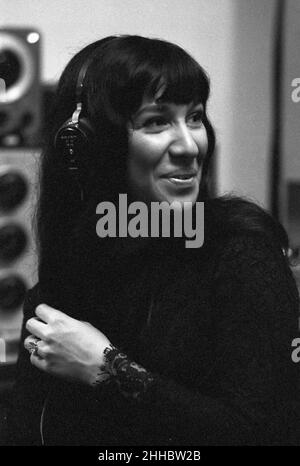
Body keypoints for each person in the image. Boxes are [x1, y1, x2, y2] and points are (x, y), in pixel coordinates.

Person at [5, 35, 300, 446]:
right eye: (156, 121)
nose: (189, 145)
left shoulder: (240, 251)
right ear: (90, 147)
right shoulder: (69, 272)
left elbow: (263, 432)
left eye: (194, 117)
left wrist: (108, 369)